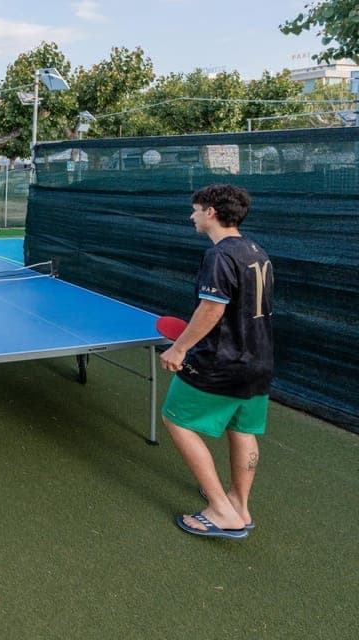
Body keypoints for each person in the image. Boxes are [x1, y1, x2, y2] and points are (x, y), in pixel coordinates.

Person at [159, 184, 274, 540]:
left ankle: (221, 511)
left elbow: (212, 308)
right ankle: (239, 504)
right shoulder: (257, 251)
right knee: (243, 431)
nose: (191, 217)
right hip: (259, 360)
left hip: (222, 361)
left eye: (195, 210)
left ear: (210, 212)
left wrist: (179, 348)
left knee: (175, 419)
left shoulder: (220, 255)